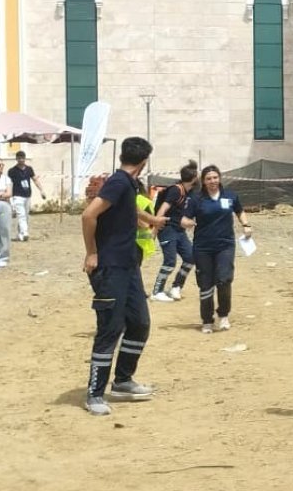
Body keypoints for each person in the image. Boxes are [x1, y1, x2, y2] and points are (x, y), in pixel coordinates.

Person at [80, 136, 169, 416]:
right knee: (110, 329)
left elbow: (129, 207)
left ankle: (123, 381)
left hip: (129, 267)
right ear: (144, 162)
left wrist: (152, 220)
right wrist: (91, 253)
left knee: (140, 323)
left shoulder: (126, 184)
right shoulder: (119, 182)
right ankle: (95, 394)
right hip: (110, 268)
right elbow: (88, 216)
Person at [181, 165, 251, 333]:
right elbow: (184, 219)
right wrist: (188, 223)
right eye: (208, 178)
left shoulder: (230, 196)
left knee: (224, 279)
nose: (212, 181)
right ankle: (207, 320)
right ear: (203, 181)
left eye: (215, 177)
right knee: (206, 284)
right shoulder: (197, 199)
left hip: (225, 245)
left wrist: (246, 225)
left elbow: (240, 211)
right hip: (203, 247)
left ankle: (223, 315)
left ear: (219, 178)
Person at [151, 160, 199, 302]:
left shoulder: (190, 193)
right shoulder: (176, 190)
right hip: (167, 229)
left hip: (179, 230)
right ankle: (157, 291)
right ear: (193, 178)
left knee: (190, 257)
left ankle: (176, 287)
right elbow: (162, 209)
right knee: (170, 261)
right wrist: (154, 230)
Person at [8, 150, 46, 242]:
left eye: (22, 158)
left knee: (26, 216)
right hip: (17, 196)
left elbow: (35, 179)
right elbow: (9, 184)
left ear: (25, 158)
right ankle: (25, 233)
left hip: (27, 195)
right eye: (19, 158)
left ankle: (20, 234)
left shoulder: (29, 169)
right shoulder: (12, 171)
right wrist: (9, 197)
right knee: (21, 215)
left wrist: (41, 190)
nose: (21, 160)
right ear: (16, 159)